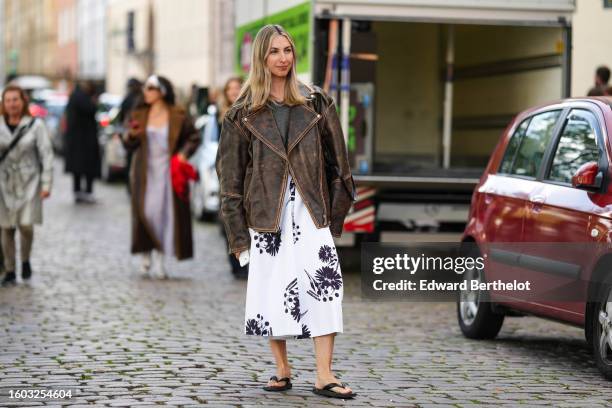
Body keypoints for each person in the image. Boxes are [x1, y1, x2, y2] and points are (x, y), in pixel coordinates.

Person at [215, 24, 357, 398]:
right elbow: (229, 183)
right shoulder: (240, 114)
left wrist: (332, 217)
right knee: (271, 292)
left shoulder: (316, 102)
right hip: (266, 216)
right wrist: (237, 237)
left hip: (310, 212)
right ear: (261, 58)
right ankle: (282, 368)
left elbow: (339, 165)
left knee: (325, 289)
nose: (282, 58)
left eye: (288, 50)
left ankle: (324, 374)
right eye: (274, 51)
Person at [124, 75, 201, 278]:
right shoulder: (139, 114)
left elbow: (194, 137)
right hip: (145, 172)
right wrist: (131, 136)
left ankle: (159, 259)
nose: (146, 92)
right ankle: (145, 253)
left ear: (162, 91)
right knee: (146, 212)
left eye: (151, 88)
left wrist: (184, 153)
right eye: (145, 88)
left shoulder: (177, 114)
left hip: (168, 173)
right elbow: (127, 141)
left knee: (164, 216)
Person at [0, 85, 54, 285]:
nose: (12, 104)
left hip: (29, 181)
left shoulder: (35, 125)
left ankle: (25, 260)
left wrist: (47, 183)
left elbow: (46, 154)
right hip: (4, 183)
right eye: (8, 100)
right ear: (3, 104)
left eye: (15, 99)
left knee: (25, 225)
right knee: (6, 227)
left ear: (23, 102)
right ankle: (10, 269)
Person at [64, 81, 101, 203]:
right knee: (87, 167)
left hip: (77, 141)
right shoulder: (84, 99)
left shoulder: (74, 97)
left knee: (78, 169)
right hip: (86, 141)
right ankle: (86, 192)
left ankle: (78, 191)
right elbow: (92, 109)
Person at [117, 78, 144, 195]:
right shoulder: (136, 100)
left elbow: (121, 118)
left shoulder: (129, 100)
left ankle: (130, 185)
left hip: (132, 136)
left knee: (130, 162)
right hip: (134, 136)